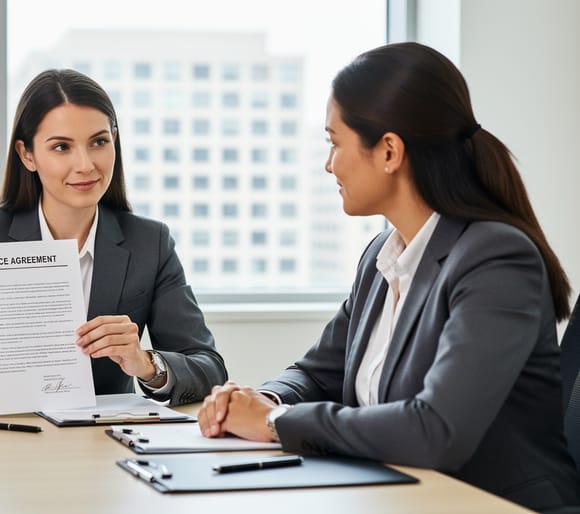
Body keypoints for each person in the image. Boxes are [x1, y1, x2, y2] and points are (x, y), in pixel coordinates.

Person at [197, 42, 580, 511]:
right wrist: (257, 398)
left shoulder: (496, 258)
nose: (328, 164)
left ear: (390, 151)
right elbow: (317, 373)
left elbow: (436, 430)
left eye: (334, 143)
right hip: (401, 498)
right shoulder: (383, 254)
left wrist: (276, 421)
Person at [0, 69, 227, 407]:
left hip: (100, 445)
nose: (85, 164)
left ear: (114, 140)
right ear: (27, 155)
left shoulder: (150, 243)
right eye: (61, 147)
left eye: (99, 142)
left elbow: (209, 369)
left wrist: (147, 365)